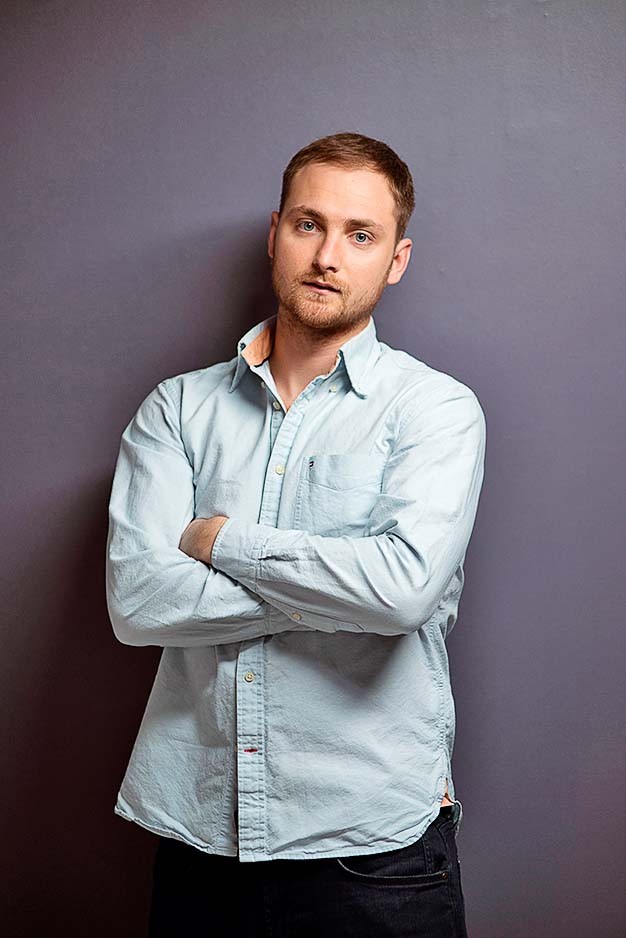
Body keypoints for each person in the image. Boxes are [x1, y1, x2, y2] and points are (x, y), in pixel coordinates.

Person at [106, 131, 486, 937]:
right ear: (275, 233)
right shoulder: (177, 410)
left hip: (376, 853)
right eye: (309, 224)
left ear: (397, 260)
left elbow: (401, 593)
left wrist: (220, 542)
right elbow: (138, 603)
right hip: (200, 840)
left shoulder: (436, 410)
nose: (327, 256)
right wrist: (349, 594)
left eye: (361, 234)